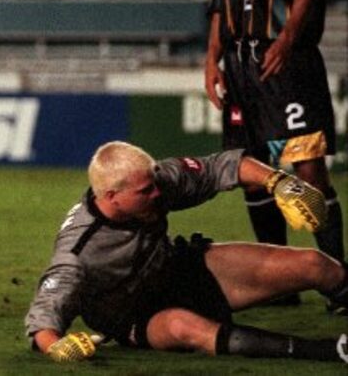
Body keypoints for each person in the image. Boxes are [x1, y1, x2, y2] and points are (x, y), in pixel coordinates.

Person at [25, 141, 347, 364]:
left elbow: (223, 166)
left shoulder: (154, 182)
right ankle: (332, 351)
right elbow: (43, 320)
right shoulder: (78, 249)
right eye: (145, 191)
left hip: (178, 270)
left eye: (154, 184)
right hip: (134, 316)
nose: (156, 193)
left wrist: (280, 183)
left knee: (313, 263)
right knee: (185, 327)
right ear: (112, 196)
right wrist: (58, 347)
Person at [203, 0, 344, 299]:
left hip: (284, 60)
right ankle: (280, 283)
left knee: (307, 168)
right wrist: (212, 58)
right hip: (240, 65)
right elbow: (222, 1)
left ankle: (338, 278)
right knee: (251, 169)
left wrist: (285, 40)